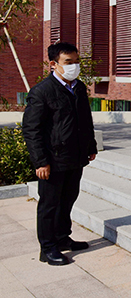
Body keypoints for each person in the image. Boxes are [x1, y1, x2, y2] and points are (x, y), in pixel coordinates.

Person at [22, 42, 97, 266]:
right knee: (49, 205)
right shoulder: (42, 91)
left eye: (76, 61)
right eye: (68, 62)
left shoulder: (79, 87)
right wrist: (40, 161)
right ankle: (47, 248)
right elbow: (32, 129)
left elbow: (85, 119)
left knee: (68, 200)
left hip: (75, 156)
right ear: (53, 64)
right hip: (52, 160)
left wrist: (91, 146)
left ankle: (63, 238)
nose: (74, 66)